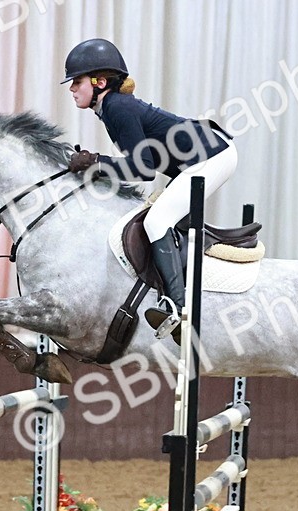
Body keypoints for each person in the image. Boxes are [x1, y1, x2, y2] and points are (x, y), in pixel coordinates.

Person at [63, 38, 237, 337]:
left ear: (100, 81)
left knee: (157, 221)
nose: (71, 88)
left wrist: (96, 161)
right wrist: (97, 165)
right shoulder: (110, 107)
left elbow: (142, 169)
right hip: (199, 158)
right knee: (156, 217)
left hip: (213, 155)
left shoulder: (118, 107)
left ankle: (180, 310)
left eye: (77, 81)